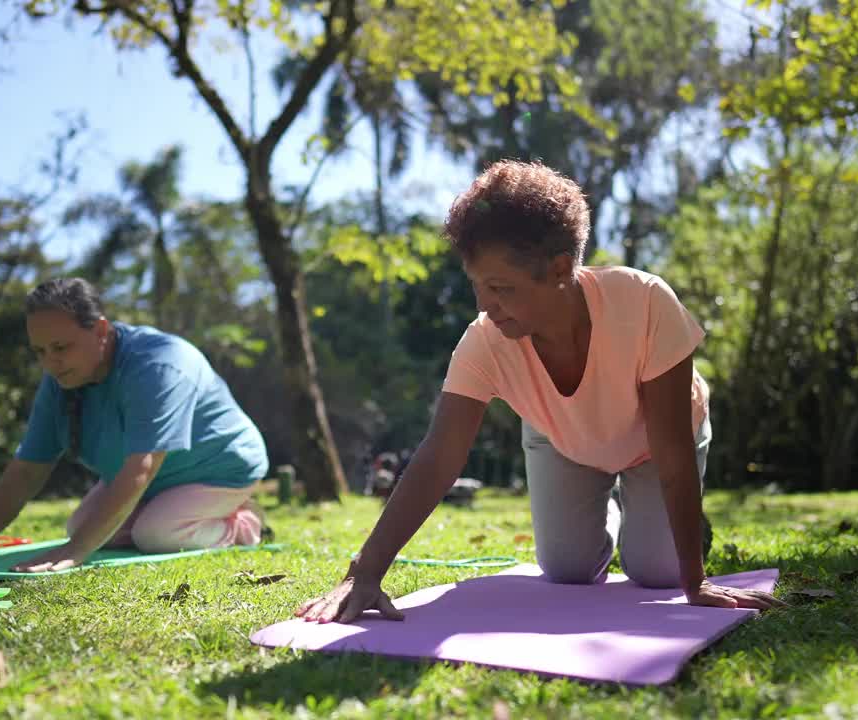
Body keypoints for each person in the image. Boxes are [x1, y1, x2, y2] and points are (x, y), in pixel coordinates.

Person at [298, 160, 781, 622]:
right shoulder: (484, 341)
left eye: (500, 287)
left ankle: (678, 529)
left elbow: (673, 451)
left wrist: (693, 582)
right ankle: (611, 510)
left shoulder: (645, 301)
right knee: (568, 570)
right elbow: (440, 455)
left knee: (658, 573)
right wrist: (364, 573)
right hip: (564, 439)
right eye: (477, 286)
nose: (486, 305)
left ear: (558, 270)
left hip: (656, 444)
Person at [0, 278, 269, 573]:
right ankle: (167, 517)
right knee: (80, 527)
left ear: (100, 330)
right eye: (40, 352)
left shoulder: (159, 364)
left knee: (156, 534)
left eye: (61, 347)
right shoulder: (60, 380)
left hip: (222, 469)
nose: (50, 363)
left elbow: (142, 467)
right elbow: (27, 469)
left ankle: (245, 523)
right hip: (160, 478)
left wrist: (77, 551)